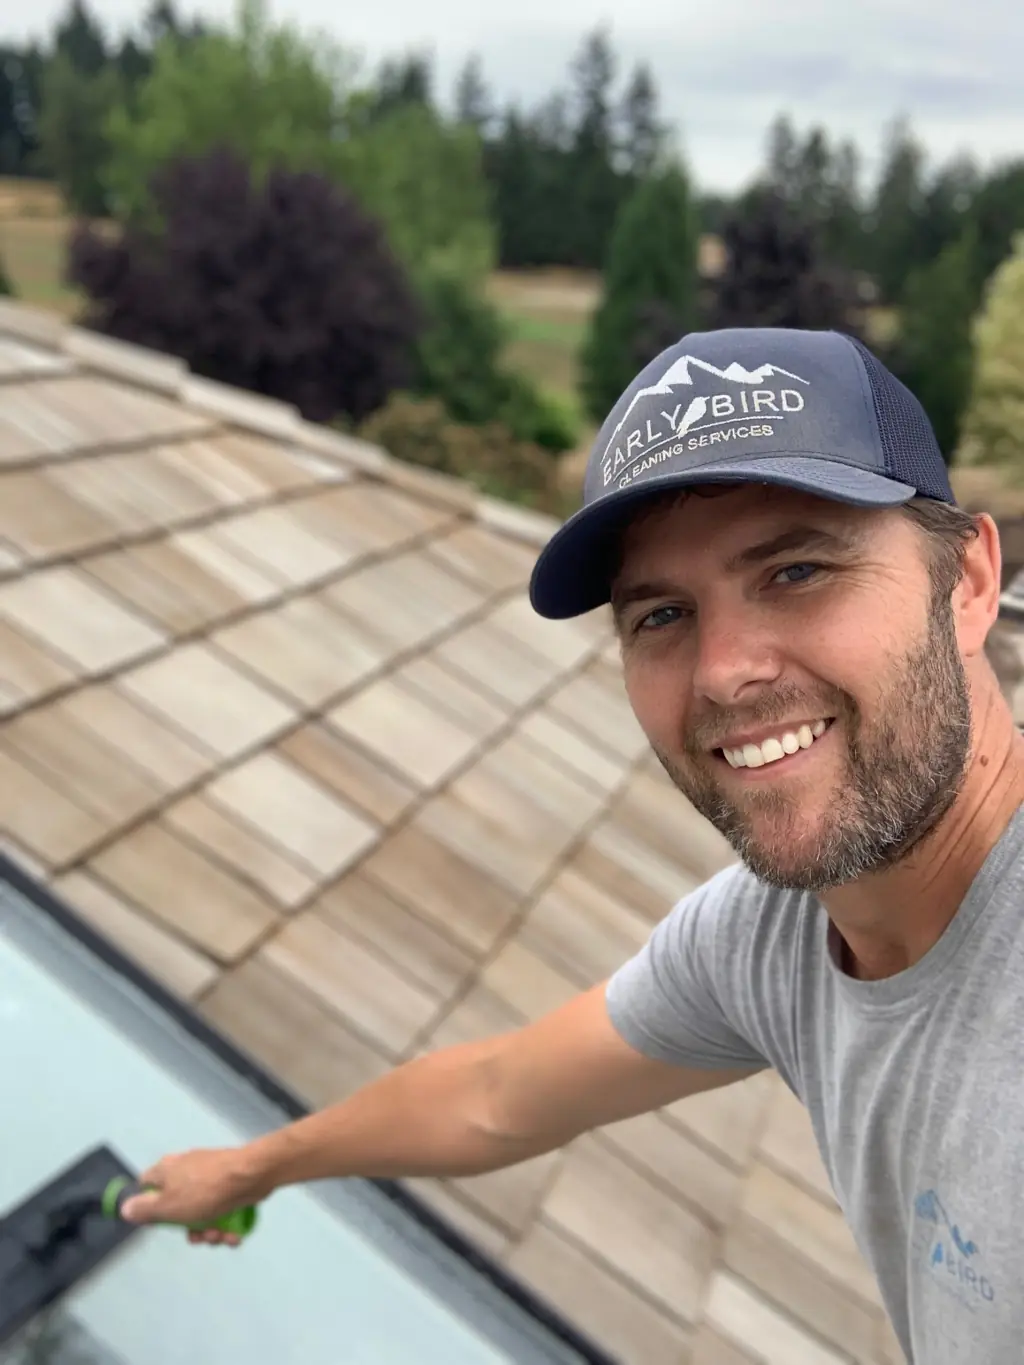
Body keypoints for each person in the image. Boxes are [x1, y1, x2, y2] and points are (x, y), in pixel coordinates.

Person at [121, 327, 1024, 1364]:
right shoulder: (767, 939)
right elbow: (496, 1097)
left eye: (797, 571)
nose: (724, 672)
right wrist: (255, 1169)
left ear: (965, 584)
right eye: (662, 615)